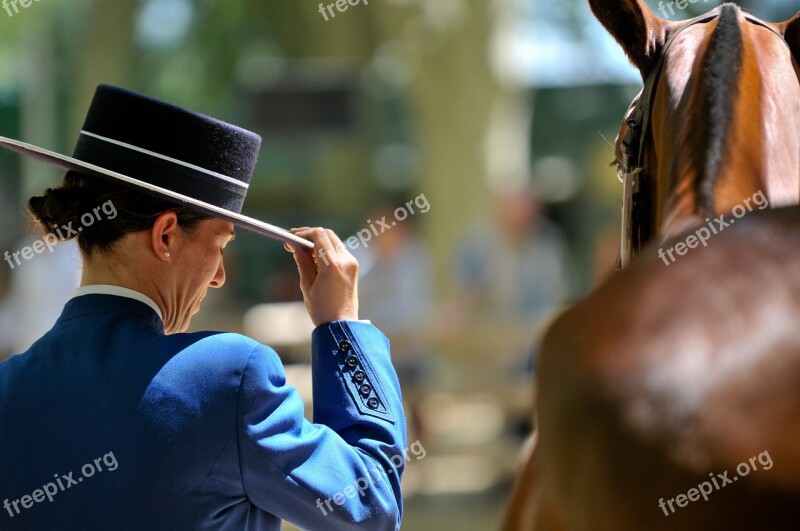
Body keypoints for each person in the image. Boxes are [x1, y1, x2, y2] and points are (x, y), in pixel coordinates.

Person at [0, 84, 406, 530]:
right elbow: (373, 508)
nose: (219, 276)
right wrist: (342, 328)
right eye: (220, 245)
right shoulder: (228, 377)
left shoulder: (7, 388)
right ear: (166, 235)